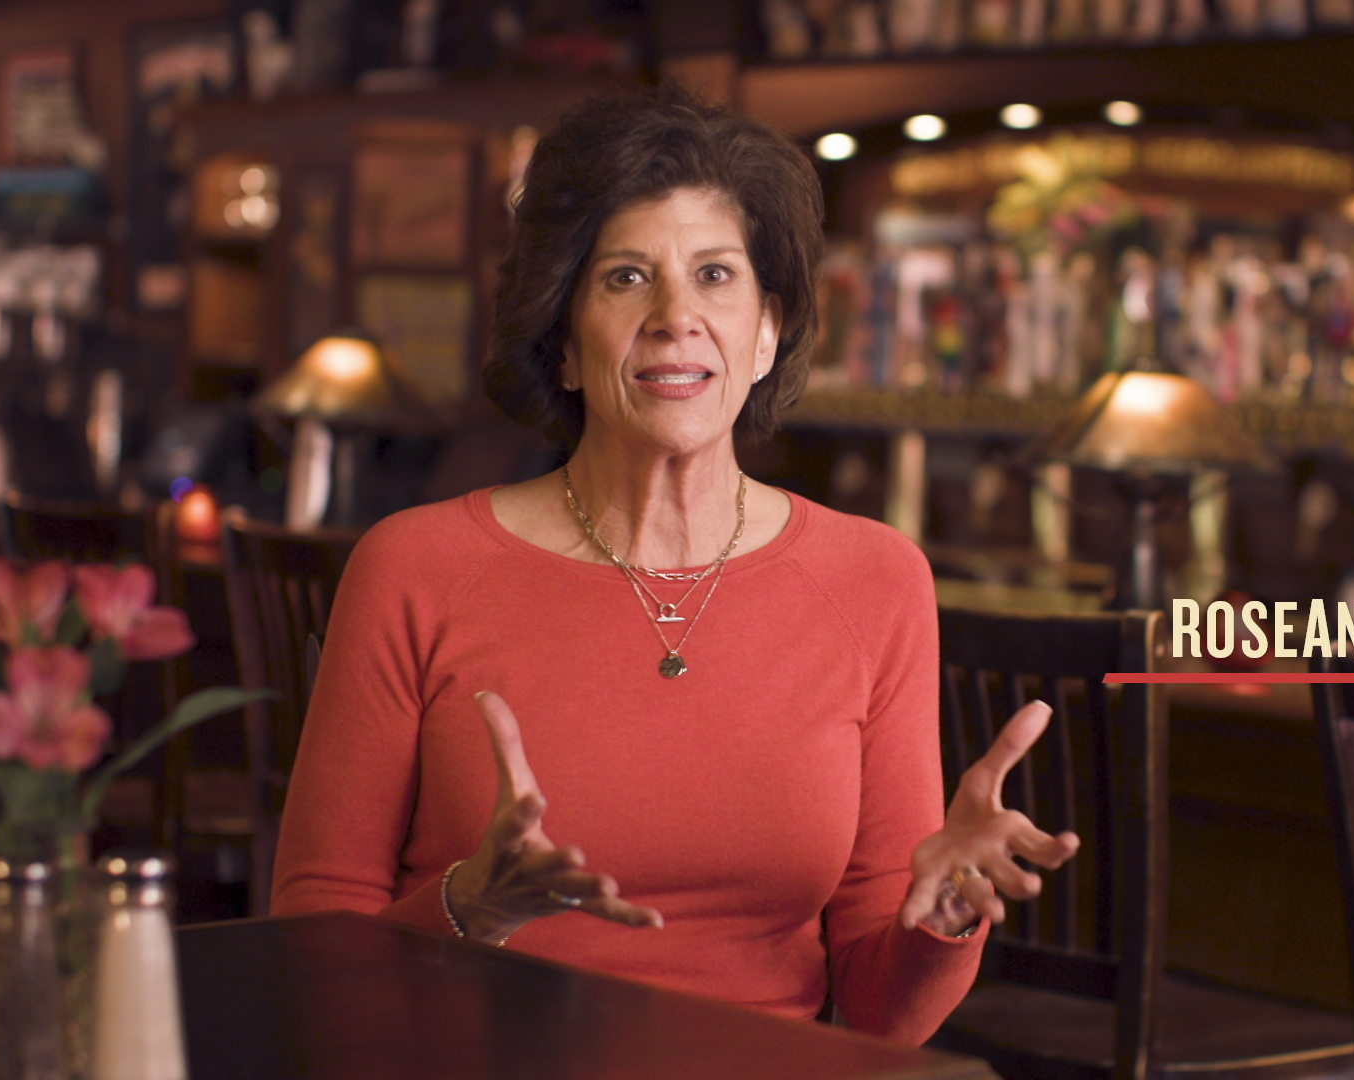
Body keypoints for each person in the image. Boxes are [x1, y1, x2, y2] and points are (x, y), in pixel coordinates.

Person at [270, 86, 1080, 1046]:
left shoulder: (877, 581)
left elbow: (877, 1014)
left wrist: (941, 920)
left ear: (766, 333)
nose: (675, 316)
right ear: (564, 344)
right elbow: (310, 958)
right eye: (625, 278)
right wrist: (466, 907)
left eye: (715, 275)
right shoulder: (414, 568)